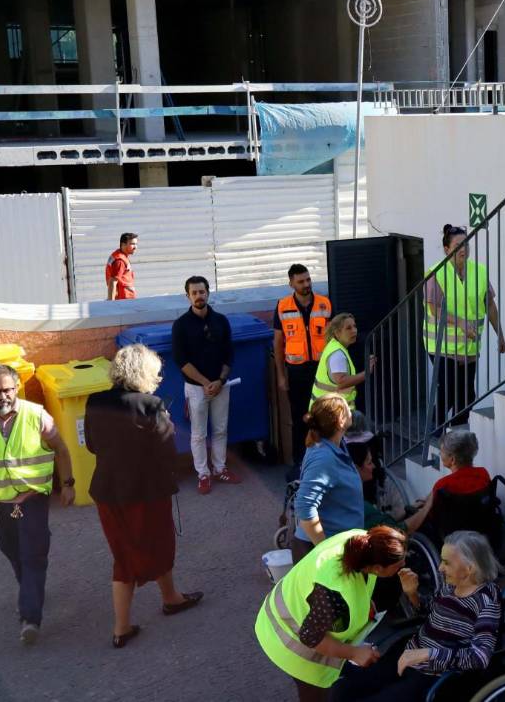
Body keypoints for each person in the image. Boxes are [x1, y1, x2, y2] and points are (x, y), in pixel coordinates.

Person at [83, 344, 203, 648]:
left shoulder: (95, 401)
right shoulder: (151, 405)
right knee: (160, 544)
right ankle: (169, 599)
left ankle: (123, 627)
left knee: (123, 555)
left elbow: (92, 446)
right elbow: (166, 449)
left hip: (108, 491)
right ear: (144, 372)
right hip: (146, 491)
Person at [0, 363, 75, 646]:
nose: (2, 396)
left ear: (17, 388)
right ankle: (31, 592)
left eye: (7, 389)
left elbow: (61, 449)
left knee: (33, 555)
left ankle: (30, 618)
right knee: (14, 553)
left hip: (33, 496)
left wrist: (68, 484)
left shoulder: (36, 415)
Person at [331, 531, 503, 702]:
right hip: (409, 655)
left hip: (434, 675)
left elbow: (480, 657)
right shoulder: (451, 586)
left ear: (469, 568)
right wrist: (412, 594)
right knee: (343, 689)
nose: (440, 568)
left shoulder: (486, 601)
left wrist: (428, 654)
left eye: (446, 563)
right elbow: (429, 613)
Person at [254, 525, 408, 702]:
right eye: (398, 566)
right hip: (285, 640)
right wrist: (354, 653)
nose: (402, 567)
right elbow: (310, 636)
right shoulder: (334, 594)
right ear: (378, 568)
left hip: (291, 608)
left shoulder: (361, 541)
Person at [424, 224, 505, 427]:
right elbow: (434, 308)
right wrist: (460, 322)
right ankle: (435, 433)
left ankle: (457, 433)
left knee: (467, 395)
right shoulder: (436, 273)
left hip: (469, 346)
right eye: (458, 245)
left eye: (466, 244)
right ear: (446, 249)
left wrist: (500, 335)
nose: (463, 249)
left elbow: (489, 304)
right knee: (449, 392)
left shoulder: (478, 271)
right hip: (441, 346)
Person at [171, 275, 240, 495]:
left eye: (202, 292)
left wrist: (219, 381)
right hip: (195, 388)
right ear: (188, 296)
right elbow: (181, 360)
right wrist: (204, 382)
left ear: (208, 293)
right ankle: (203, 474)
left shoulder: (221, 320)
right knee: (198, 434)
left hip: (221, 385)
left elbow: (229, 354)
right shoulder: (180, 325)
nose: (199, 296)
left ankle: (220, 468)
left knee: (220, 429)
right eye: (194, 293)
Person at [293, 395, 365, 563]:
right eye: (347, 407)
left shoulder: (336, 446)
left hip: (341, 548)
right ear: (340, 421)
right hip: (325, 555)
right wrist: (324, 549)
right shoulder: (324, 458)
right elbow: (304, 506)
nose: (351, 410)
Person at [275, 263, 333, 467]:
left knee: (324, 417)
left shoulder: (325, 304)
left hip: (321, 370)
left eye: (308, 279)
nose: (306, 284)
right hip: (297, 371)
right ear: (291, 283)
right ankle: (300, 463)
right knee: (300, 418)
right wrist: (282, 377)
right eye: (300, 281)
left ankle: (324, 461)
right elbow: (279, 342)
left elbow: (334, 339)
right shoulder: (282, 306)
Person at [402, 429, 492, 534]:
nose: (440, 454)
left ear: (452, 459)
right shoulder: (483, 473)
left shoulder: (443, 485)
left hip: (449, 536)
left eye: (441, 451)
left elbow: (429, 514)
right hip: (479, 528)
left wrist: (421, 507)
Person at [310, 312, 377, 410]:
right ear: (337, 333)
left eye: (354, 326)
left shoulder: (334, 346)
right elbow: (342, 381)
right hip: (331, 413)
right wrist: (367, 372)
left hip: (328, 410)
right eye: (348, 328)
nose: (354, 331)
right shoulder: (337, 353)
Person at [106, 232, 138, 300]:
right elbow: (112, 282)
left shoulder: (118, 255)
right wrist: (111, 304)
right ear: (123, 244)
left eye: (136, 244)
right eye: (132, 244)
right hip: (124, 301)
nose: (135, 247)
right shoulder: (120, 261)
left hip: (124, 300)